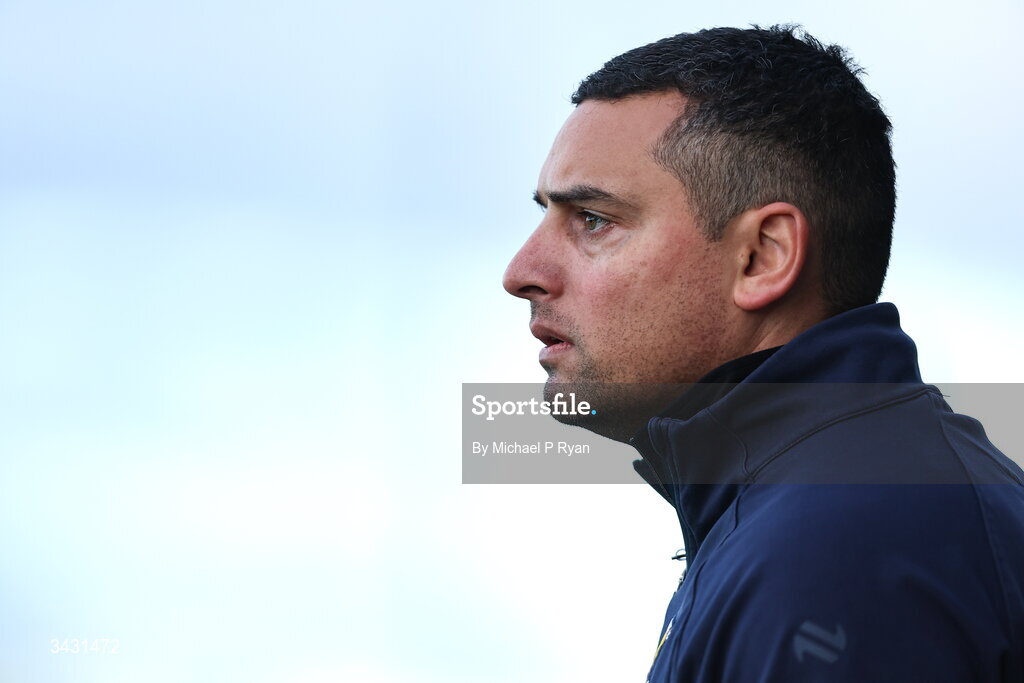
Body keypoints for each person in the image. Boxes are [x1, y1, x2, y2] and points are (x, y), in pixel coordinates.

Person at [501, 26, 1024, 682]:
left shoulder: (842, 551)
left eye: (593, 220)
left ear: (762, 256)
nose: (521, 270)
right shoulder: (828, 511)